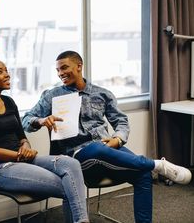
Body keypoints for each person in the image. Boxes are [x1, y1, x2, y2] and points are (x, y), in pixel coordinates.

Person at [22, 50, 192, 223]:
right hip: (76, 157)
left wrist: (117, 139)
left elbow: (121, 121)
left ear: (79, 66)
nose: (60, 73)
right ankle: (157, 164)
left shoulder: (102, 93)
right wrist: (41, 120)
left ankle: (150, 176)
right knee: (97, 148)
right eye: (57, 70)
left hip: (108, 150)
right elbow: (26, 120)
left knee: (143, 175)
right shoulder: (52, 95)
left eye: (64, 68)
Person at [0, 57, 89, 223]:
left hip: (26, 159)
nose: (7, 75)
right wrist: (20, 155)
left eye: (6, 70)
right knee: (70, 186)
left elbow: (22, 137)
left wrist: (26, 146)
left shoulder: (9, 102)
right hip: (5, 167)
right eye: (0, 72)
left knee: (71, 164)